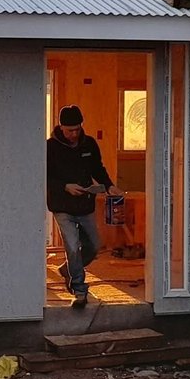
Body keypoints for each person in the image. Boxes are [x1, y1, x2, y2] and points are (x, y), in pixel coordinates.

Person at [46, 105, 113, 309]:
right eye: (69, 130)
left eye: (77, 129)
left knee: (93, 247)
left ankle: (68, 269)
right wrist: (65, 186)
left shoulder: (89, 144)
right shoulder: (50, 147)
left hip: (85, 205)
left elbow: (97, 169)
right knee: (73, 246)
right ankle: (79, 290)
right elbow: (45, 175)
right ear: (61, 127)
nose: (74, 134)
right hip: (62, 206)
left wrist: (109, 185)